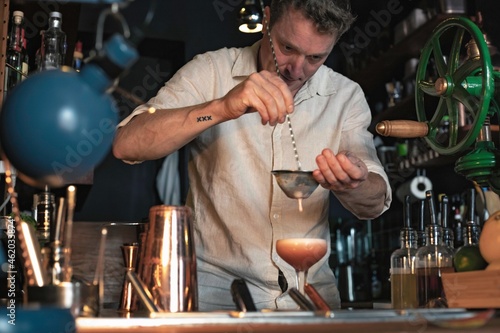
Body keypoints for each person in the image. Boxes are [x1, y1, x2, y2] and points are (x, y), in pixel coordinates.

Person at [113, 0, 392, 311]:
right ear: (267, 20)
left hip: (311, 301)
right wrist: (220, 108)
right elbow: (127, 143)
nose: (296, 70)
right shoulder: (211, 71)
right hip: (218, 300)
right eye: (287, 47)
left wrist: (354, 183)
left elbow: (376, 201)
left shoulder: (345, 96)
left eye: (315, 57)